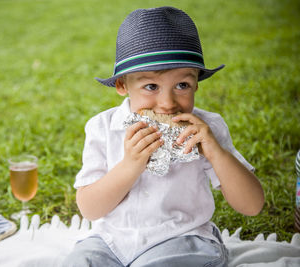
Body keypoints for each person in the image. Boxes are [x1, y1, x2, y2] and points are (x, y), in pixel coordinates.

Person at [62, 6, 264, 267]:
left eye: (182, 85)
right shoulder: (102, 127)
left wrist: (216, 152)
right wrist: (130, 166)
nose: (168, 103)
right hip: (110, 241)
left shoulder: (207, 128)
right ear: (122, 85)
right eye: (151, 86)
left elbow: (252, 205)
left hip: (182, 239)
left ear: (196, 84)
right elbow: (90, 209)